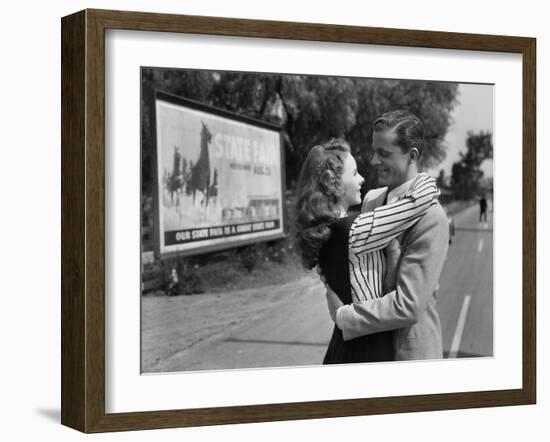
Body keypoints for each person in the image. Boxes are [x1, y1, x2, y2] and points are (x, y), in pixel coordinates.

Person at [293, 138, 440, 364]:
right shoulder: (354, 230)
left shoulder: (325, 231)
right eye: (354, 174)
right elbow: (417, 202)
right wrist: (420, 174)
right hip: (367, 350)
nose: (362, 179)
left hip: (344, 346)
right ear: (332, 181)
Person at [324, 110, 450, 361]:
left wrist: (345, 316)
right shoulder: (371, 200)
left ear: (412, 155)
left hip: (407, 357)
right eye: (374, 151)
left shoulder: (431, 218)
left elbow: (408, 305)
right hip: (367, 349)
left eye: (384, 153)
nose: (372, 160)